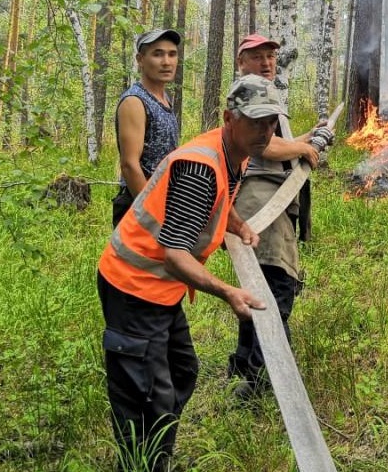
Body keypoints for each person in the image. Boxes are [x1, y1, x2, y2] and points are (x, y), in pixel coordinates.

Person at [97, 74, 285, 471]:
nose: (265, 132)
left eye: (271, 121)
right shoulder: (200, 167)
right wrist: (229, 292)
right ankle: (141, 463)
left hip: (161, 291)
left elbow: (221, 198)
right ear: (229, 117)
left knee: (182, 372)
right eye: (256, 121)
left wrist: (236, 223)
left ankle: (154, 457)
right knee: (148, 398)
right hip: (135, 286)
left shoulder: (236, 151)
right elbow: (174, 256)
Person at [227, 34, 334, 400]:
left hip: (274, 200)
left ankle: (245, 361)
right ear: (242, 61)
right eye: (257, 57)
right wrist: (305, 146)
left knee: (259, 284)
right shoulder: (247, 91)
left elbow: (278, 142)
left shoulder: (266, 93)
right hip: (261, 203)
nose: (266, 63)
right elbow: (264, 147)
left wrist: (309, 136)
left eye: (270, 57)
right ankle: (261, 381)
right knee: (275, 286)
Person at [112, 28, 181, 228]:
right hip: (139, 205)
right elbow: (129, 165)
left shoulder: (164, 98)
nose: (166, 62)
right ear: (140, 60)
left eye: (172, 54)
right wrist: (153, 214)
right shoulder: (134, 101)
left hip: (163, 201)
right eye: (157, 54)